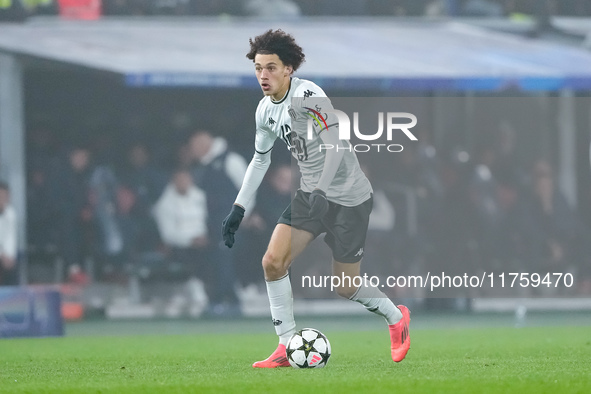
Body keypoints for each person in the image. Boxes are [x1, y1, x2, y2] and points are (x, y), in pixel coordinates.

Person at [221, 29, 410, 368]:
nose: (263, 76)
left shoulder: (309, 95)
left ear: (289, 69)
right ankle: (285, 344)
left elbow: (335, 145)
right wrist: (239, 208)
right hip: (312, 195)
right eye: (259, 68)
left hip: (348, 197)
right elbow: (260, 159)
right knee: (273, 262)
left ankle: (397, 318)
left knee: (346, 286)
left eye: (271, 68)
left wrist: (323, 189)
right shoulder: (265, 111)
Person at [0, 181, 18, 285]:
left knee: (12, 266)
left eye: (5, 196)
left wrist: (9, 256)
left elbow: (11, 238)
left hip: (5, 256)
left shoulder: (11, 214)